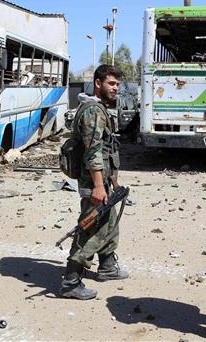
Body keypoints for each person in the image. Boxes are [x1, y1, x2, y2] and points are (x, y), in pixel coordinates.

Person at [60, 64, 129, 300]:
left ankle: (107, 266)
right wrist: (100, 186)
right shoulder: (92, 111)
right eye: (111, 83)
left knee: (109, 223)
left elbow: (107, 150)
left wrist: (113, 182)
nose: (115, 88)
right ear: (98, 83)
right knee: (90, 227)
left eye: (118, 85)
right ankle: (70, 282)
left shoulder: (100, 109)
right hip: (93, 182)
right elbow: (93, 152)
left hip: (102, 180)